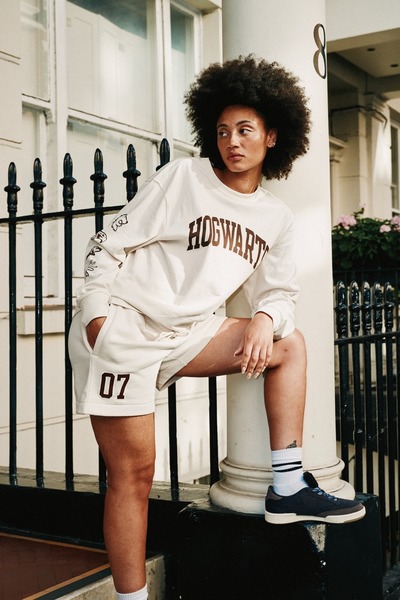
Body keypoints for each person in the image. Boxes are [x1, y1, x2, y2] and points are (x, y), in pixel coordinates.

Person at [68, 55, 365, 600]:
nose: (232, 141)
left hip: (187, 332)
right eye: (223, 130)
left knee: (289, 343)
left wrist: (265, 318)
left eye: (246, 130)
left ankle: (288, 485)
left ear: (272, 136)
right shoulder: (182, 178)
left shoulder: (275, 217)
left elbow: (279, 292)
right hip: (123, 329)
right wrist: (96, 318)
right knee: (133, 476)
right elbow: (106, 246)